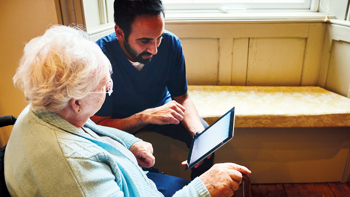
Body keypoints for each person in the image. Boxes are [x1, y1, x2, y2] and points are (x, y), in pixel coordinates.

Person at [5, 25, 251, 196]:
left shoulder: (44, 108)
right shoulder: (75, 170)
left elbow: (87, 126)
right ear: (77, 101)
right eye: (105, 85)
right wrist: (203, 188)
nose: (110, 86)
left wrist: (131, 143)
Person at [91, 0, 213, 179]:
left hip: (162, 107)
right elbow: (98, 124)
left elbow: (182, 97)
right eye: (145, 41)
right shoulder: (98, 57)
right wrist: (144, 116)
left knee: (206, 142)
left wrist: (198, 134)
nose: (155, 49)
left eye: (159, 38)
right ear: (119, 32)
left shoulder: (171, 44)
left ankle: (201, 188)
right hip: (117, 122)